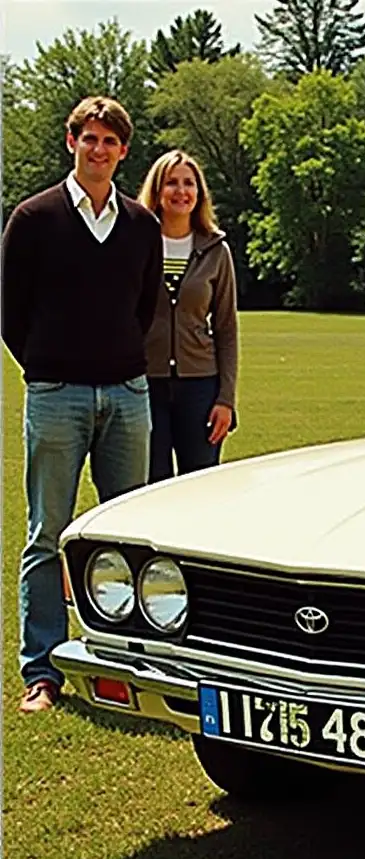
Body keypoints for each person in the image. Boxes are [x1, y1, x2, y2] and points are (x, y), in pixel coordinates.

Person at [1, 96, 163, 713]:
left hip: (127, 395)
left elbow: (141, 310)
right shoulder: (34, 217)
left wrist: (115, 364)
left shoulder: (141, 225)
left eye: (110, 142)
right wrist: (46, 367)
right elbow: (10, 311)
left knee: (130, 535)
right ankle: (42, 671)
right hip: (56, 395)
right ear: (72, 143)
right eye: (88, 139)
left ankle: (130, 663)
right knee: (47, 534)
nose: (99, 150)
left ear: (124, 152)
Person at [136, 150, 239, 482]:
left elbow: (226, 328)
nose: (181, 191)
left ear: (200, 192)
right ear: (157, 190)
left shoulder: (216, 250)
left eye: (189, 183)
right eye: (171, 183)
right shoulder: (135, 242)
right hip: (144, 385)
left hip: (201, 387)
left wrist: (225, 399)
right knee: (151, 484)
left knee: (200, 487)